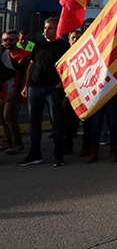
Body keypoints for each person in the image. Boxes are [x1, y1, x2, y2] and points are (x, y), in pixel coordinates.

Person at [18, 17, 69, 167]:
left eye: (50, 28)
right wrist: (26, 86)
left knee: (56, 122)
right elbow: (31, 64)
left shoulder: (63, 46)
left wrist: (61, 84)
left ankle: (58, 154)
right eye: (45, 28)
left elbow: (67, 67)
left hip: (53, 89)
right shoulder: (38, 43)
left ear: (56, 29)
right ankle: (35, 154)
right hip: (35, 87)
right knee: (34, 122)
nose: (46, 31)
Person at [0, 30, 30, 155]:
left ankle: (18, 143)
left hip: (15, 90)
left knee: (9, 116)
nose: (8, 43)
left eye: (10, 40)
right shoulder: (2, 53)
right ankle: (8, 140)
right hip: (2, 89)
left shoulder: (24, 54)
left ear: (16, 40)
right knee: (2, 117)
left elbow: (22, 69)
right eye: (5, 40)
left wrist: (8, 59)